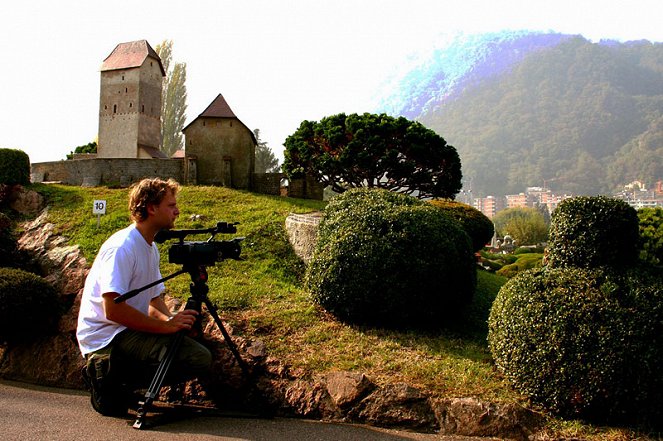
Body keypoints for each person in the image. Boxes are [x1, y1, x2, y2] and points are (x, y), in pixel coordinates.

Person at [76, 177, 212, 416]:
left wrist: (173, 322)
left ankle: (120, 384)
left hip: (125, 330)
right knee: (195, 355)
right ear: (151, 208)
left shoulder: (149, 247)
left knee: (198, 356)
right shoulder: (122, 247)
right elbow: (113, 310)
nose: (177, 211)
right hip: (107, 336)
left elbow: (153, 302)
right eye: (171, 205)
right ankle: (104, 375)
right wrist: (166, 328)